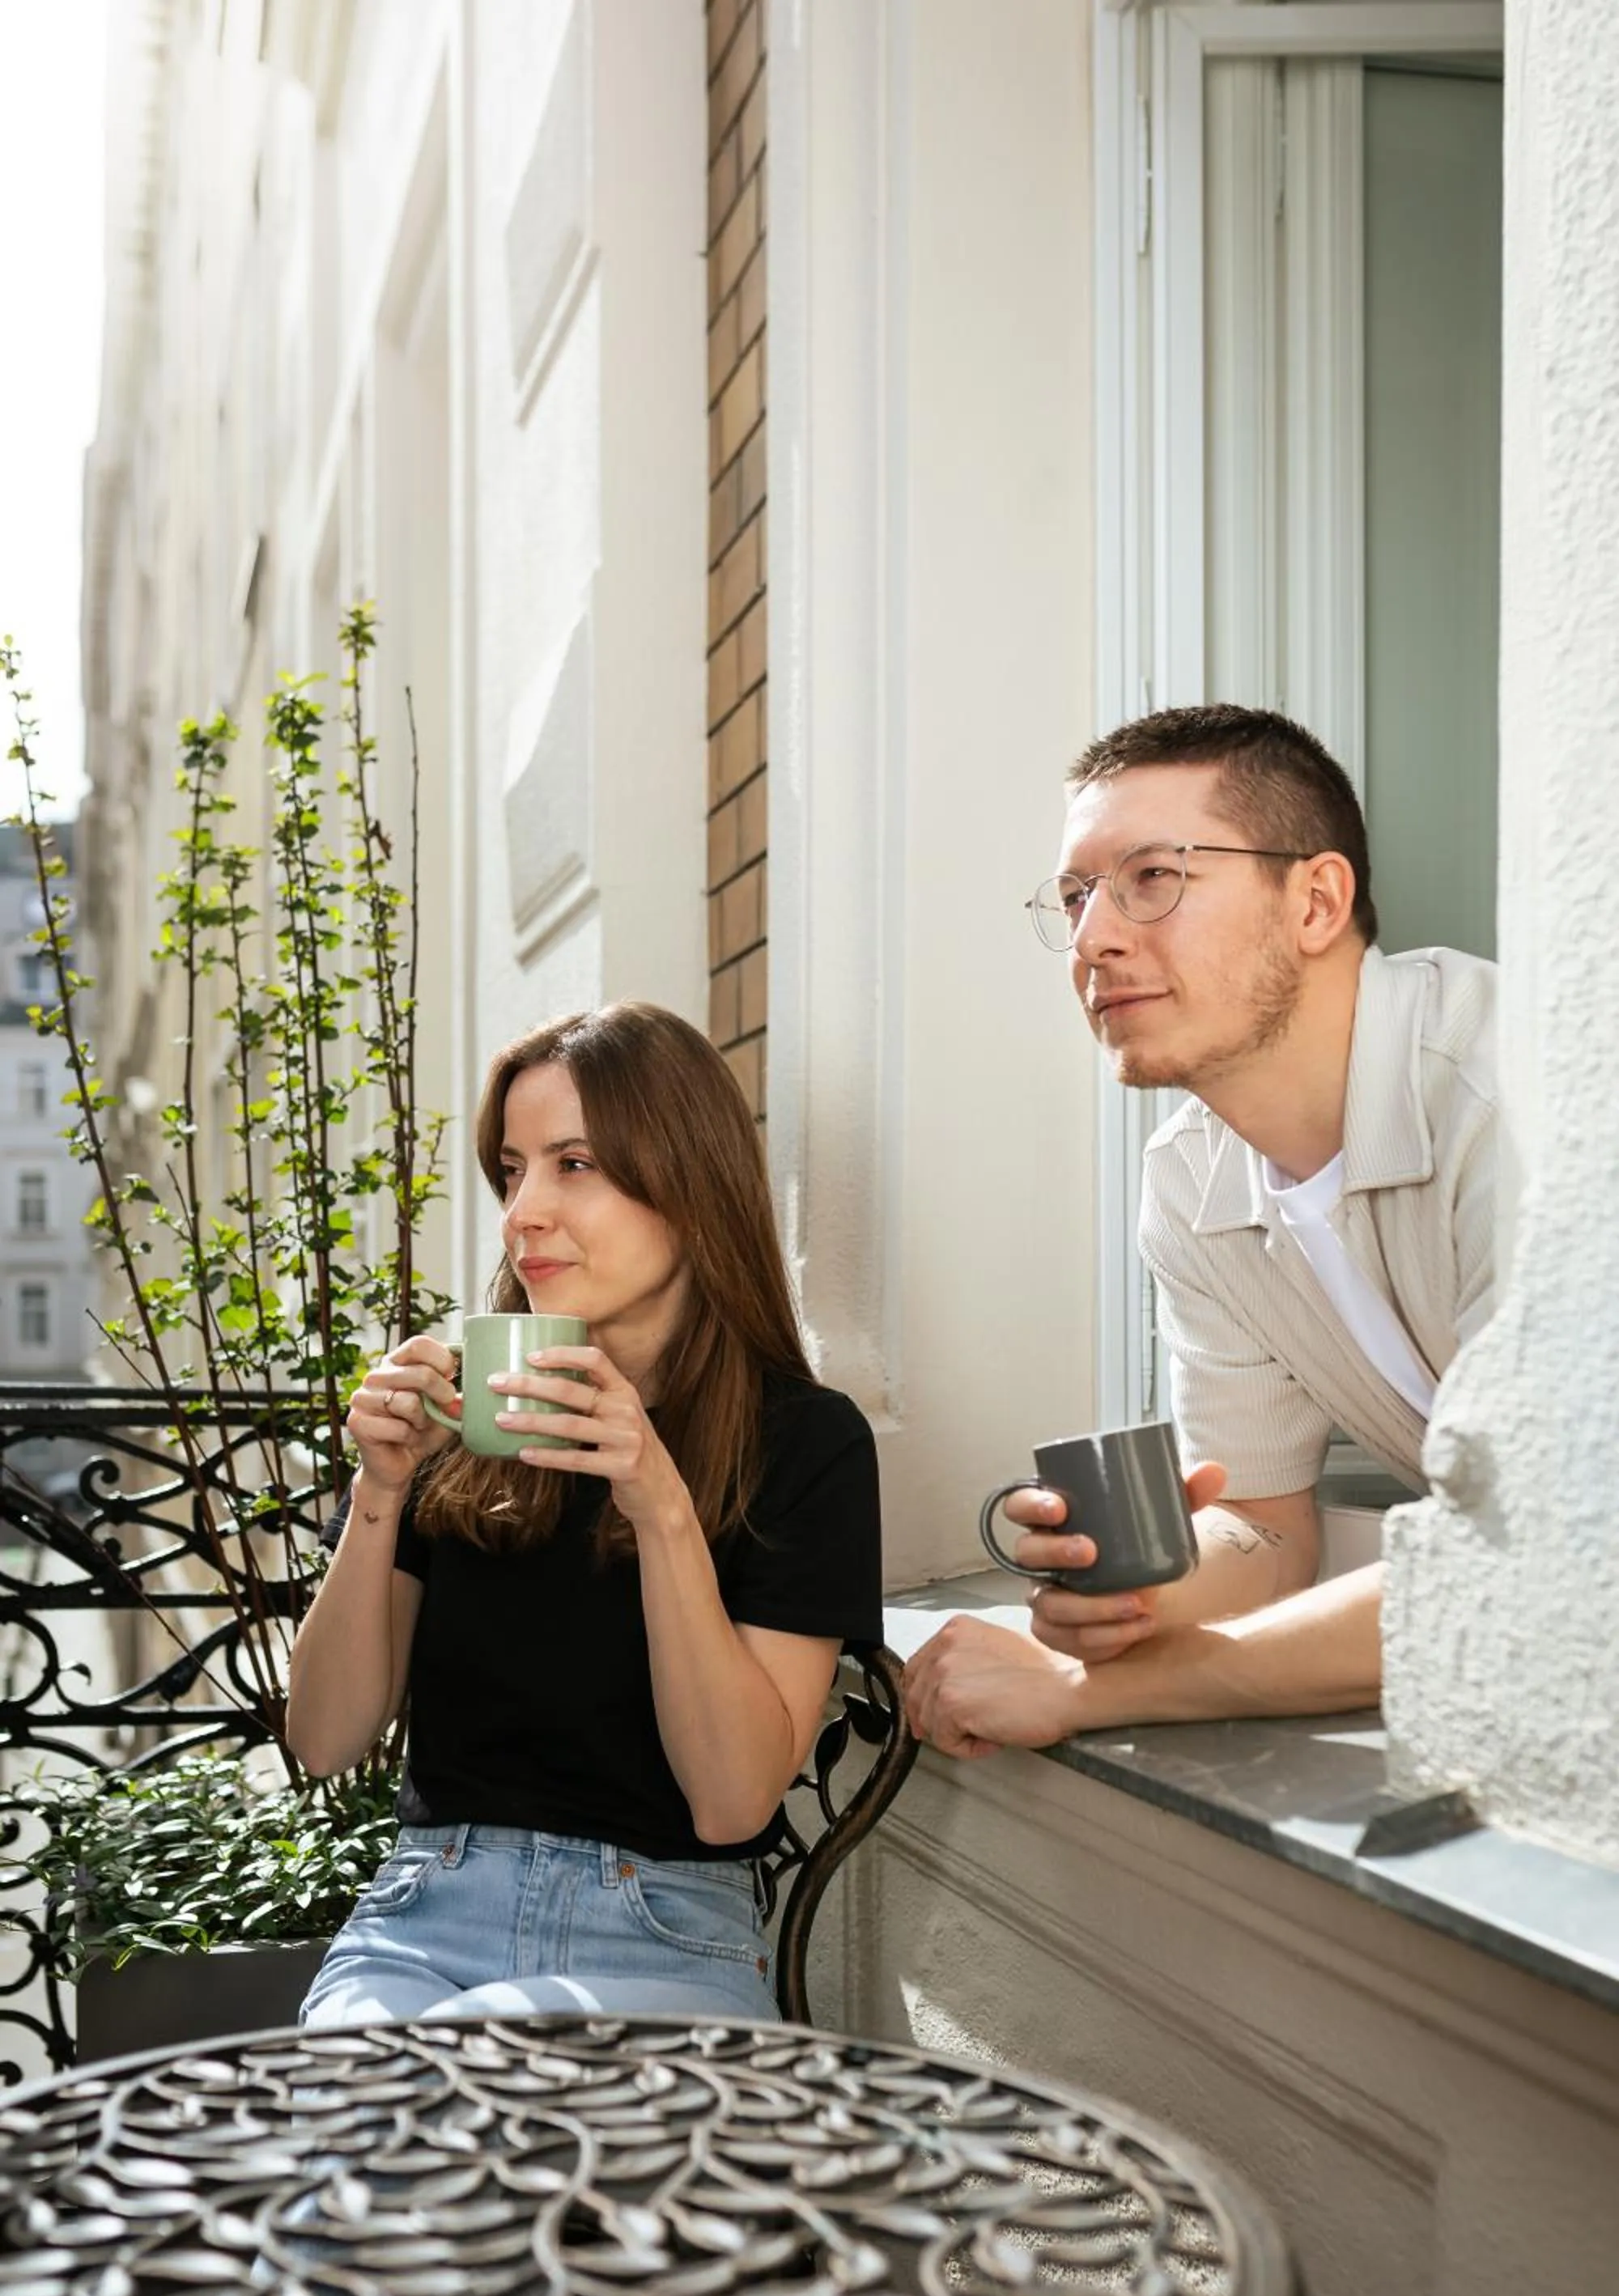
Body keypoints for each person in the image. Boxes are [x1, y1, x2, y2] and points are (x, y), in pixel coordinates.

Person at [903, 704, 1494, 1759]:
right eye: (1076, 897)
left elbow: (1536, 1553)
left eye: (1153, 878)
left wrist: (1094, 1693)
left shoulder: (1512, 1095)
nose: (1092, 940)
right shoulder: (1192, 1180)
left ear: (1316, 901)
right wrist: (1139, 1592)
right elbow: (1264, 1524)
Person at [288, 1000, 882, 2023]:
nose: (523, 1212)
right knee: (366, 2110)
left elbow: (732, 1798)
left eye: (573, 1165)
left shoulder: (804, 1442)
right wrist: (378, 1497)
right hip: (422, 1920)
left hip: (663, 1930)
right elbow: (326, 1740)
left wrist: (658, 1505)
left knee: (452, 2092)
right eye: (512, 1170)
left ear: (687, 1184)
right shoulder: (465, 1424)